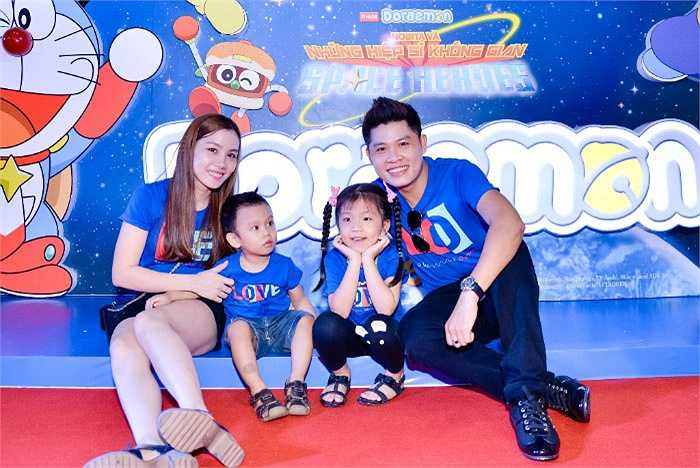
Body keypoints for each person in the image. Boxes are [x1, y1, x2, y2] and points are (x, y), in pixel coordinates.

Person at [361, 97, 591, 461]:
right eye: (381, 149)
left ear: (422, 143)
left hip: (498, 288)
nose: (394, 157)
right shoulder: (377, 200)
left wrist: (471, 293)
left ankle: (527, 404)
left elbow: (510, 223)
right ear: (369, 155)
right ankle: (537, 389)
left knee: (511, 250)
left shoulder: (457, 174)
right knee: (415, 339)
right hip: (454, 307)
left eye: (403, 144)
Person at [86, 114, 245, 468]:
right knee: (124, 345)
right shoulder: (150, 196)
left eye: (231, 155)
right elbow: (122, 272)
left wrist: (181, 293)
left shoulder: (229, 211)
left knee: (149, 324)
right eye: (213, 150)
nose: (222, 162)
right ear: (189, 149)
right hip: (141, 300)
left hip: (198, 305)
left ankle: (200, 418)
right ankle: (150, 450)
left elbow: (225, 278)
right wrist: (188, 282)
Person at [214, 191, 315, 421]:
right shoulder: (225, 268)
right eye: (255, 228)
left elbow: (299, 299)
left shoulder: (284, 265)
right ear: (235, 240)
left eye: (270, 223)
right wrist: (171, 297)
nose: (267, 232)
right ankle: (259, 392)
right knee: (237, 328)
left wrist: (312, 324)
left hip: (281, 326)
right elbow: (200, 288)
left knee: (306, 320)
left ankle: (296, 384)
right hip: (250, 333)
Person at [313, 183, 407, 407]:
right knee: (325, 325)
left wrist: (368, 259)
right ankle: (340, 375)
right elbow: (340, 311)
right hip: (351, 336)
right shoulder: (335, 258)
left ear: (385, 225)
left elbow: (385, 309)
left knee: (379, 325)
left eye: (366, 219)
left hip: (382, 337)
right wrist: (355, 260)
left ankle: (395, 376)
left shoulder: (391, 256)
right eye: (347, 219)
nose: (356, 227)